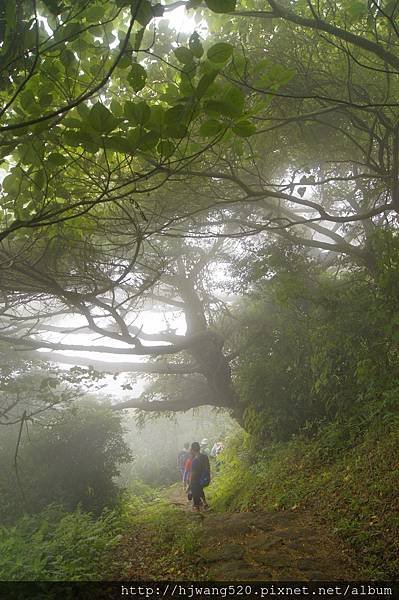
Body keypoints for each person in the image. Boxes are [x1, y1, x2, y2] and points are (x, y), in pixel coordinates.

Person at [188, 441, 211, 511]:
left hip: (197, 480)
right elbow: (208, 468)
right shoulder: (205, 457)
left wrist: (189, 484)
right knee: (199, 488)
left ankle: (197, 507)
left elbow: (193, 473)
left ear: (192, 450)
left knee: (194, 488)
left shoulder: (195, 461)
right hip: (205, 479)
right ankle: (205, 503)